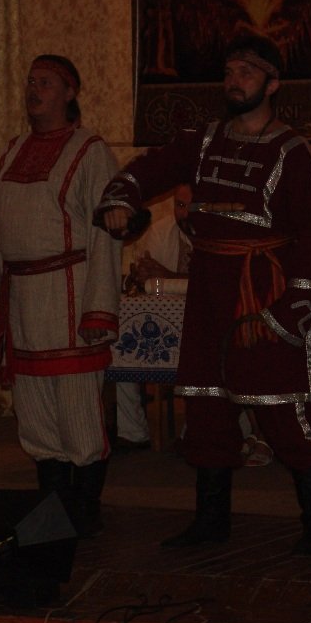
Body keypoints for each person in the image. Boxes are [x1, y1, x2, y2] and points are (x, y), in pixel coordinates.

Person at [96, 34, 311, 556]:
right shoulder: (203, 140)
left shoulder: (293, 151)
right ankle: (211, 522)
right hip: (209, 288)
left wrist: (289, 312)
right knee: (205, 406)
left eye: (247, 71)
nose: (234, 80)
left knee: (281, 410)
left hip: (261, 293)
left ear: (272, 83)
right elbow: (149, 169)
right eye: (229, 71)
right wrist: (121, 198)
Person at [0, 55, 120, 538]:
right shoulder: (12, 151)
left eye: (47, 82)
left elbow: (106, 235)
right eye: (31, 81)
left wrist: (99, 309)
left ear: (70, 92)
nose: (34, 90)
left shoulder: (90, 151)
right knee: (36, 420)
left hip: (70, 298)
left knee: (78, 418)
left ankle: (85, 512)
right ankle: (53, 513)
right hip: (22, 304)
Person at [113, 184, 194, 451]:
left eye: (191, 206)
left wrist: (168, 277)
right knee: (122, 344)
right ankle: (132, 431)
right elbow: (148, 280)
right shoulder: (160, 230)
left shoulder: (222, 232)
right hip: (164, 322)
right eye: (180, 205)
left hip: (205, 324)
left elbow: (216, 283)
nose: (185, 213)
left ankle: (194, 434)